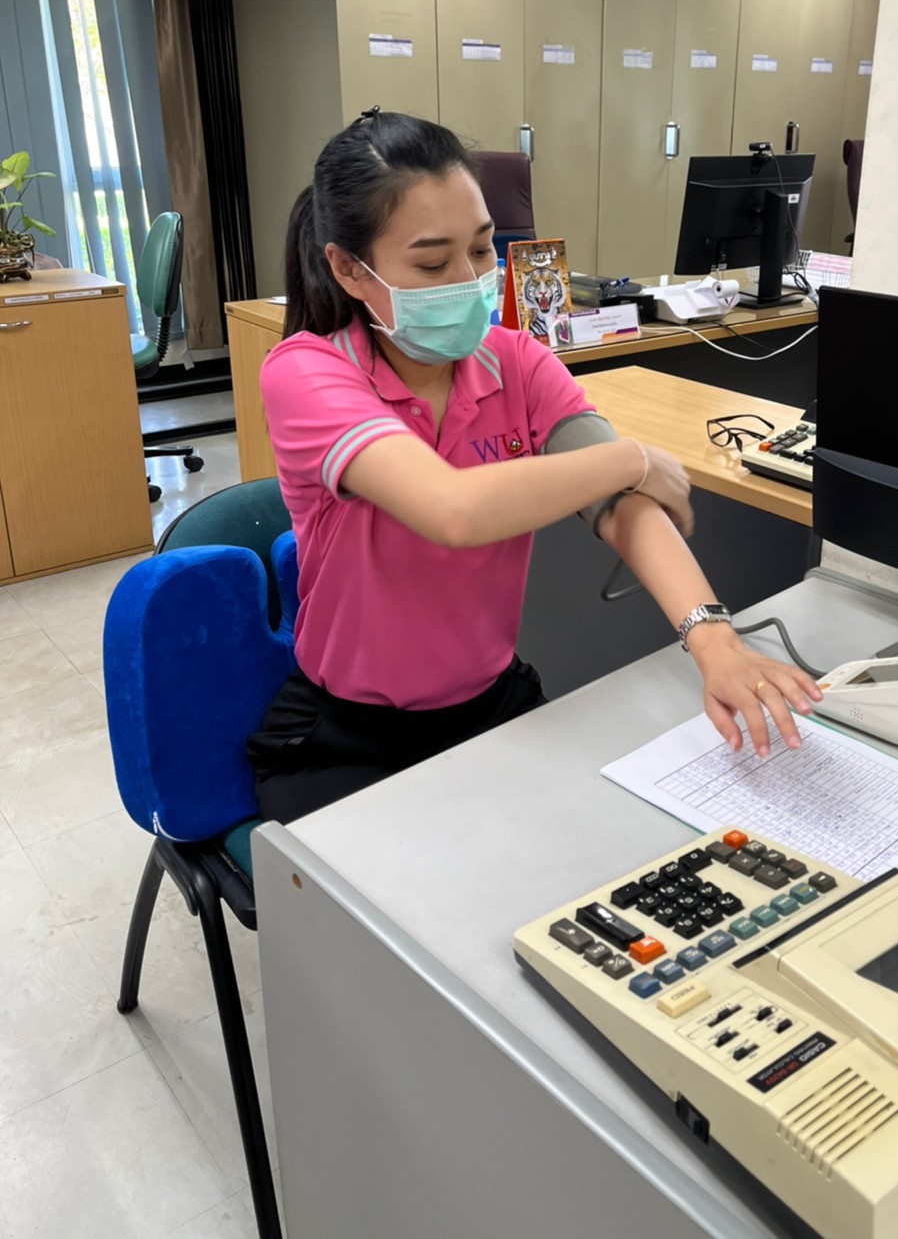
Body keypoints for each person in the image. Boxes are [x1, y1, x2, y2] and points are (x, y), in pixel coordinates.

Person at [249, 110, 821, 824]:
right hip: (348, 735)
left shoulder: (517, 362)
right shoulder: (306, 372)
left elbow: (624, 509)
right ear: (347, 269)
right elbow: (453, 510)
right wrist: (632, 457)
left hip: (491, 705)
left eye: (481, 249)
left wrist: (714, 639)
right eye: (431, 264)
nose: (468, 279)